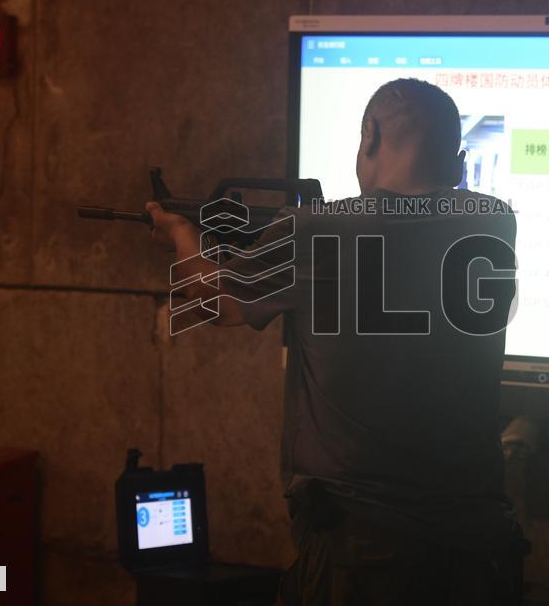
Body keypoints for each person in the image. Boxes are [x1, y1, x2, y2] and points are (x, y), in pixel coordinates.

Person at [148, 78, 523, 605]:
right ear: (458, 161)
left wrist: (182, 235)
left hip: (364, 549)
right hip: (476, 546)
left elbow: (217, 303)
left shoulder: (317, 230)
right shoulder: (495, 221)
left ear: (369, 134)